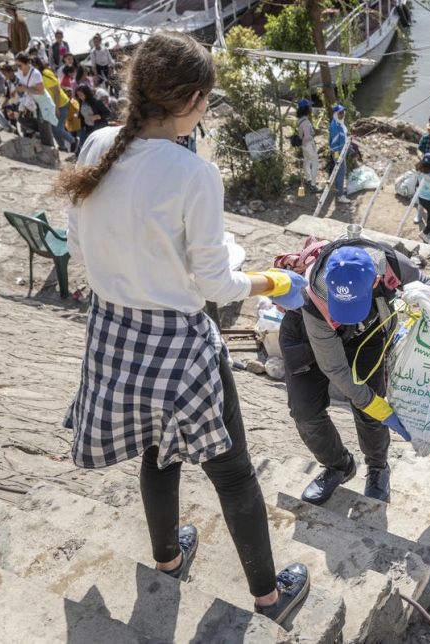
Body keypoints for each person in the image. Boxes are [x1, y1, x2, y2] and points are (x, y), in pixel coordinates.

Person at [56, 31, 310, 624]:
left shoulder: (96, 142)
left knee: (158, 450)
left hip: (113, 334)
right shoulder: (195, 173)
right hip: (178, 343)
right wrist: (274, 282)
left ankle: (169, 561)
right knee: (233, 471)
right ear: (193, 99)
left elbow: (80, 241)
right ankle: (270, 599)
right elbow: (219, 286)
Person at [276, 238, 430, 506]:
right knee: (304, 411)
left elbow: (428, 284)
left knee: (369, 413)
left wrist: (426, 300)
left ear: (375, 281)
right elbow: (335, 368)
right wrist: (379, 408)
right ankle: (338, 466)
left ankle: (378, 467)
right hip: (309, 336)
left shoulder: (392, 264)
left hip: (367, 336)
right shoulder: (313, 297)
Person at [31, 56, 75, 152]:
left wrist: (56, 109)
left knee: (55, 129)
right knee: (56, 129)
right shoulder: (37, 77)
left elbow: (57, 92)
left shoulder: (45, 75)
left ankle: (73, 141)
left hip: (61, 104)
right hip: (52, 105)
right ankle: (62, 147)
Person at [12, 52, 57, 147]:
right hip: (30, 101)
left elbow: (41, 91)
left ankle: (49, 152)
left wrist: (25, 89)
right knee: (22, 119)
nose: (18, 67)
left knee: (45, 130)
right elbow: (22, 81)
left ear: (27, 64)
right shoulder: (21, 71)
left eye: (20, 65)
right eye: (17, 65)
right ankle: (38, 131)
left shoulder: (36, 74)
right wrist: (16, 89)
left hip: (42, 103)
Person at [75, 84, 110, 152]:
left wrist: (97, 116)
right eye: (78, 95)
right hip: (87, 127)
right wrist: (78, 115)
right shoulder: (81, 101)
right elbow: (83, 112)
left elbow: (107, 112)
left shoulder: (96, 101)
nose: (80, 97)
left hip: (98, 127)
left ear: (86, 94)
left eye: (81, 95)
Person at [328, 103, 351, 204]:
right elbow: (334, 144)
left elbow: (343, 138)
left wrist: (348, 146)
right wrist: (338, 157)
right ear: (335, 114)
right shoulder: (335, 127)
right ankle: (341, 196)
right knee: (341, 171)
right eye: (339, 113)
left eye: (343, 113)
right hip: (338, 153)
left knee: (339, 172)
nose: (342, 115)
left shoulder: (339, 123)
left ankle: (338, 188)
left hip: (342, 151)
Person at [296, 98, 319, 194]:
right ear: (306, 108)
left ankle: (309, 180)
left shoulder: (300, 120)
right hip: (308, 144)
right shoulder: (305, 122)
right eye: (309, 106)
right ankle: (313, 185)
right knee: (315, 162)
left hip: (303, 145)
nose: (311, 108)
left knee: (307, 161)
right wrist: (315, 133)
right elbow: (307, 137)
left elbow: (302, 135)